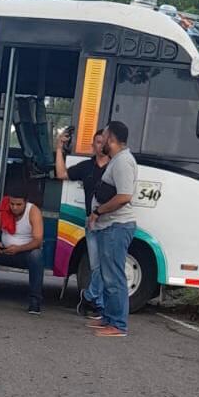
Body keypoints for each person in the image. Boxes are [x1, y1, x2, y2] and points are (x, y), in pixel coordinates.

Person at [87, 122, 138, 337]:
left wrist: (98, 212)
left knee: (114, 277)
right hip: (109, 226)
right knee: (108, 275)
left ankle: (118, 325)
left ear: (112, 139)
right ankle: (108, 318)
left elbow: (124, 196)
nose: (101, 141)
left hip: (116, 227)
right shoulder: (117, 160)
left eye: (104, 136)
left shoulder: (123, 162)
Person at [55, 129, 110, 320]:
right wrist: (59, 148)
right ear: (93, 145)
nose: (100, 145)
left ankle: (92, 299)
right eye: (97, 142)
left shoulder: (116, 167)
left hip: (111, 223)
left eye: (104, 142)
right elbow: (61, 173)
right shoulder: (87, 167)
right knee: (97, 267)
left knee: (105, 266)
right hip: (92, 224)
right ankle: (94, 301)